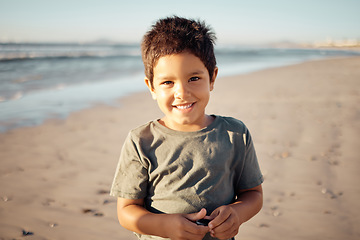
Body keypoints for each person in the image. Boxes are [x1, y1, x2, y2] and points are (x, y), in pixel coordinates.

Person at [110, 16, 264, 240]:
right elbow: (126, 211)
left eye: (193, 78)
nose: (181, 92)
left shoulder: (235, 134)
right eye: (167, 82)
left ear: (212, 78)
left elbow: (253, 194)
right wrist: (165, 225)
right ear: (151, 87)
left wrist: (237, 214)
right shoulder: (141, 141)